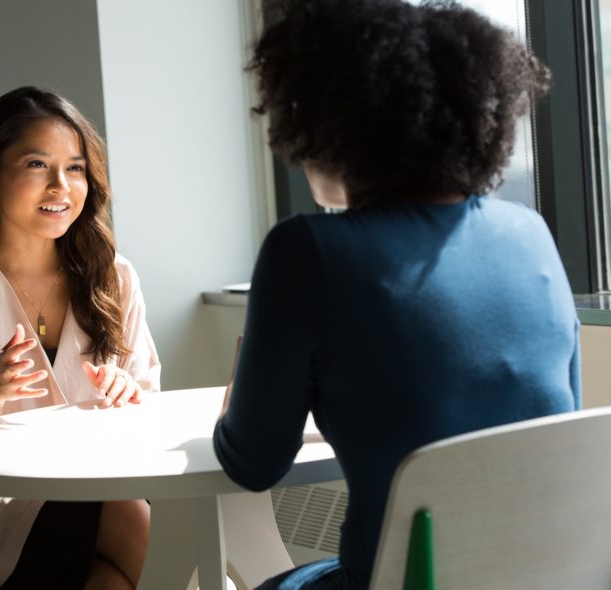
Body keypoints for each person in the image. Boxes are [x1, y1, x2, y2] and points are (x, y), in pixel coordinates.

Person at [213, 1, 580, 589]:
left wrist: (240, 402)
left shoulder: (306, 250)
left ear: (330, 126)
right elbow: (553, 430)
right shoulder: (531, 236)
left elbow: (252, 463)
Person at [0, 86, 160, 590]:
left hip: (101, 491)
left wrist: (128, 395)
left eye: (75, 168)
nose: (61, 187)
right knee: (119, 517)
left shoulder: (114, 277)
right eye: (36, 165)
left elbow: (149, 412)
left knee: (130, 515)